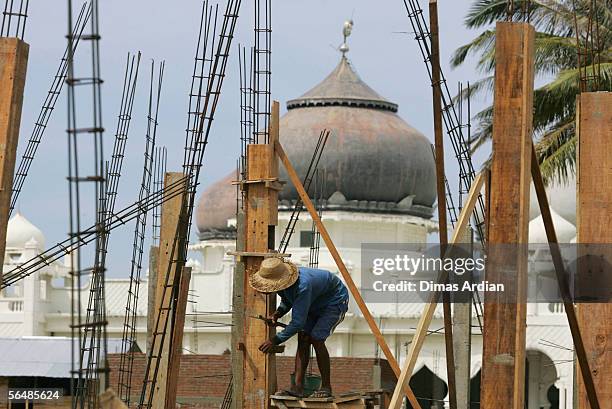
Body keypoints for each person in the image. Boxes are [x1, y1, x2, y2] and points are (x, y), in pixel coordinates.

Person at [249, 257, 349, 398]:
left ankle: (326, 387)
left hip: (334, 300)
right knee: (303, 338)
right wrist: (278, 313)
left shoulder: (303, 286)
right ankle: (297, 388)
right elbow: (287, 299)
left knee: (316, 338)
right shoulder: (284, 283)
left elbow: (297, 323)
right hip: (314, 301)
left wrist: (275, 340)